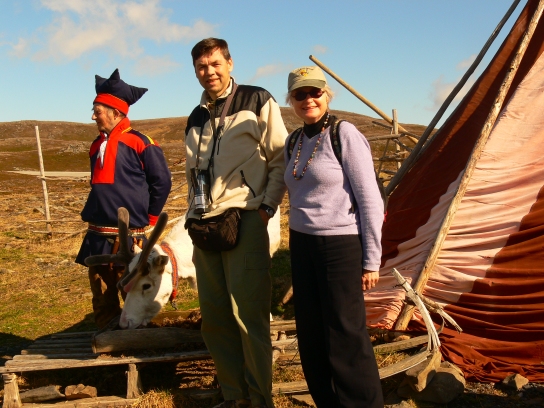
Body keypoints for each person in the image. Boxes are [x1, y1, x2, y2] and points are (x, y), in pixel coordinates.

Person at [184, 38, 287, 408]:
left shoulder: (256, 99)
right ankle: (234, 397)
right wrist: (191, 215)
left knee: (248, 317)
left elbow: (280, 156)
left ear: (229, 63)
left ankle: (259, 400)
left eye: (215, 64)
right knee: (214, 318)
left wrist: (267, 207)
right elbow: (193, 173)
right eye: (201, 66)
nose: (209, 72)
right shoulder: (195, 117)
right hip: (204, 225)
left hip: (245, 217)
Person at [284, 66, 384, 407]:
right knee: (310, 331)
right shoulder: (294, 141)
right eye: (300, 94)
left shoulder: (344, 134)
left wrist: (371, 260)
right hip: (302, 242)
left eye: (315, 92)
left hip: (339, 245)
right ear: (291, 100)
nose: (308, 99)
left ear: (326, 94)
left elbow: (370, 200)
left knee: (345, 333)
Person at [75, 69, 172, 329]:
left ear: (116, 112)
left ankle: (139, 342)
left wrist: (150, 218)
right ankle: (108, 343)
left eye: (97, 110)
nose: (93, 116)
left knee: (134, 296)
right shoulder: (95, 146)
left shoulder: (142, 143)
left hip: (130, 239)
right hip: (97, 237)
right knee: (102, 299)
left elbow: (162, 182)